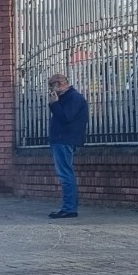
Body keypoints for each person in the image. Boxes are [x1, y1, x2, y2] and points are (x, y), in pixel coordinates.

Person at [47, 73, 88, 219]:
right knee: (66, 173)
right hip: (63, 139)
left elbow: (65, 117)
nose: (51, 90)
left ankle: (69, 208)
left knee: (65, 174)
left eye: (51, 86)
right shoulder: (69, 97)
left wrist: (54, 103)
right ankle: (69, 207)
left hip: (64, 139)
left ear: (59, 84)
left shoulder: (73, 97)